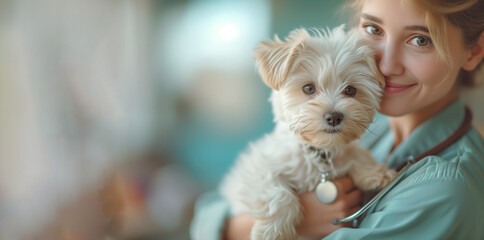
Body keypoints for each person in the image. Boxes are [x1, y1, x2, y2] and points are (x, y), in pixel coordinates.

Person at [190, 0, 484, 239]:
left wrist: (262, 226)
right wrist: (268, 223)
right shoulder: (371, 130)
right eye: (373, 28)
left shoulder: (445, 190)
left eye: (420, 39)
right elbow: (204, 217)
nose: (385, 64)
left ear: (474, 51)